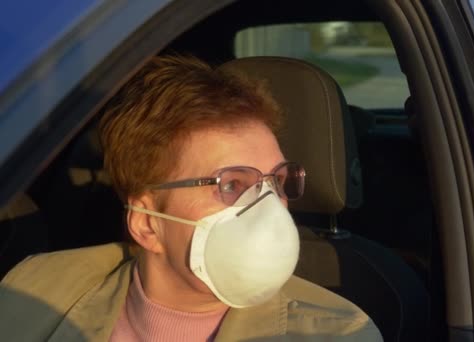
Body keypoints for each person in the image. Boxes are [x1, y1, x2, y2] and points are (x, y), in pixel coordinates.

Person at [0, 55, 382, 341]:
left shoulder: (343, 334)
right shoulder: (30, 294)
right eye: (232, 185)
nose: (270, 207)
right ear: (147, 224)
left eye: (277, 181)